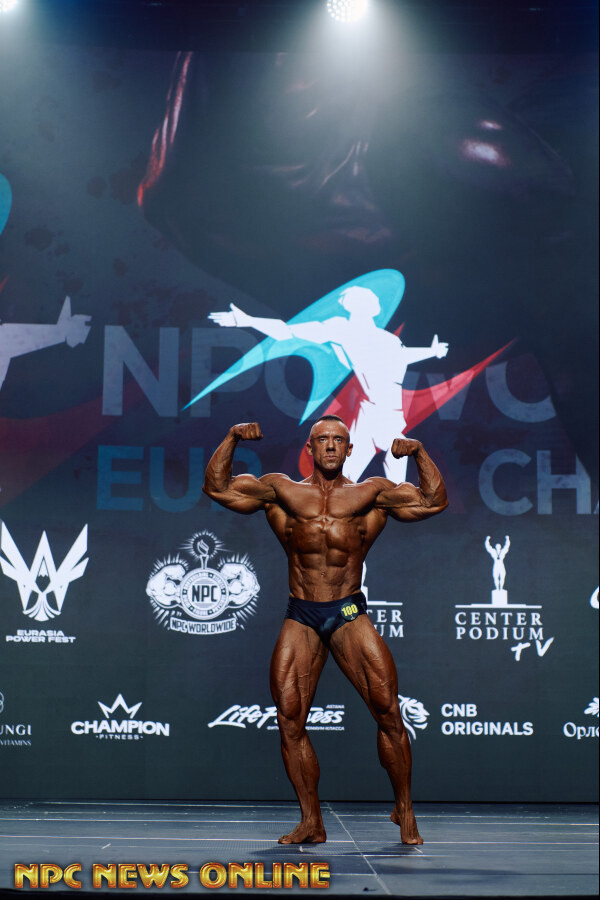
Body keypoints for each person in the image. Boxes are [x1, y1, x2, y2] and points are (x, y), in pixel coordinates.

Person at [202, 414, 448, 845]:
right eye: (322, 439)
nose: (331, 445)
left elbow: (433, 501)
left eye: (338, 439)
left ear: (350, 449)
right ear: (310, 448)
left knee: (388, 712)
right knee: (289, 718)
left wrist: (420, 453)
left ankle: (405, 810)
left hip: (348, 611)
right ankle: (312, 821)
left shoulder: (371, 494)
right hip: (302, 613)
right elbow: (217, 487)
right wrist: (231, 436)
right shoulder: (281, 490)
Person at [208, 286, 448, 484]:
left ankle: (387, 503)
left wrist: (432, 351)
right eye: (365, 300)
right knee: (385, 458)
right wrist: (247, 320)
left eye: (372, 301)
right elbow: (287, 331)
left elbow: (402, 355)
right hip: (374, 413)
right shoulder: (342, 328)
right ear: (353, 305)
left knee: (368, 468)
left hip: (388, 413)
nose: (372, 305)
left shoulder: (386, 339)